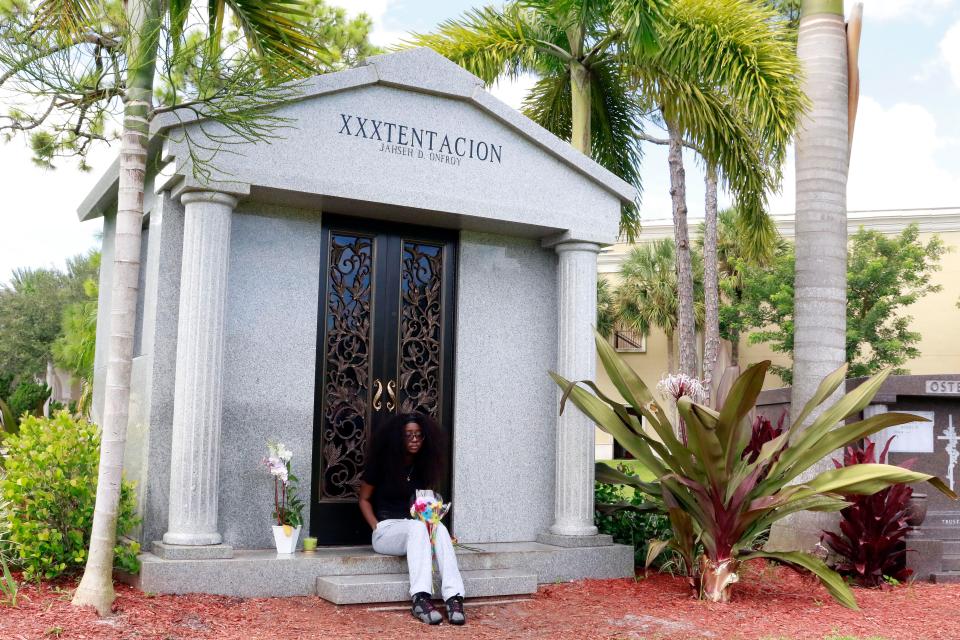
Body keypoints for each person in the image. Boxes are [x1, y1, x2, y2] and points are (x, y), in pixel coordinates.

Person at [358, 412, 466, 625]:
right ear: (398, 437)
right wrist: (376, 526)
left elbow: (424, 507)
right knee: (419, 528)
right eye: (408, 435)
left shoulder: (424, 467)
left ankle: (454, 597)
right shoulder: (381, 464)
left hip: (415, 529)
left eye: (419, 435)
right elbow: (363, 499)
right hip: (387, 530)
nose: (414, 439)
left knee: (439, 528)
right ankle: (420, 598)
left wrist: (433, 520)